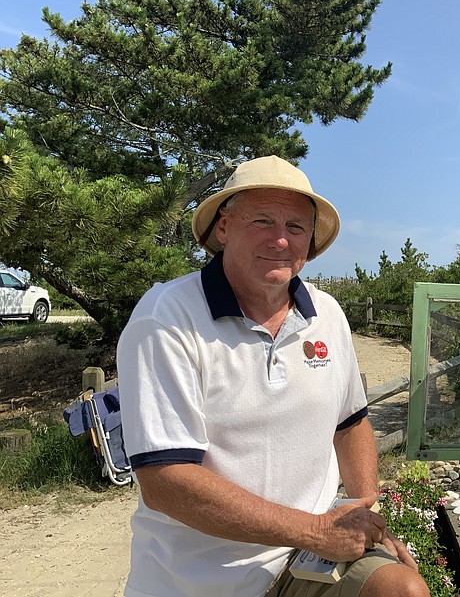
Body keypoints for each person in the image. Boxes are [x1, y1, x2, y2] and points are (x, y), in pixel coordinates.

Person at [117, 156, 430, 597]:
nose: (280, 240)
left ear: (310, 241)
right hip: (199, 578)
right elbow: (167, 482)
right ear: (223, 228)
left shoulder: (327, 313)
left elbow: (351, 422)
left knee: (401, 590)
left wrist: (364, 519)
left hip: (303, 564)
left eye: (296, 227)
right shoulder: (166, 318)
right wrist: (318, 532)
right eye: (262, 220)